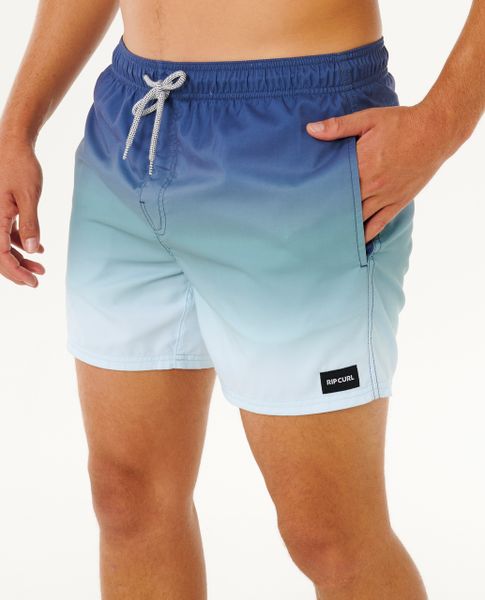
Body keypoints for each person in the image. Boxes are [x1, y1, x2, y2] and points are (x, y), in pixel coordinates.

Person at [0, 0, 483, 597]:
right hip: (132, 128)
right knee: (126, 496)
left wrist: (443, 123)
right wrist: (17, 127)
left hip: (298, 139)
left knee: (330, 534)